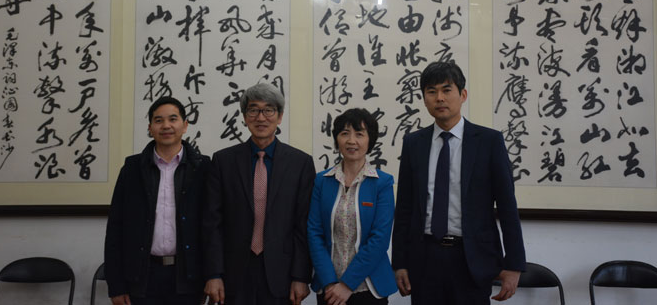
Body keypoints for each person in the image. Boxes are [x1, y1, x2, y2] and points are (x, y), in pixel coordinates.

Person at [392, 61, 526, 304]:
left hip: (472, 259)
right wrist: (399, 262)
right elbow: (404, 208)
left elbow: (507, 207)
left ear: (463, 95)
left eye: (447, 90)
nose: (439, 98)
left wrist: (514, 265)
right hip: (425, 258)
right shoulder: (414, 143)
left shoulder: (489, 141)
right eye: (431, 92)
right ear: (424, 99)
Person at [203, 82, 315, 305]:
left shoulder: (300, 163)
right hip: (233, 274)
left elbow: (303, 224)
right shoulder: (223, 161)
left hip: (282, 275)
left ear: (279, 117)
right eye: (253, 110)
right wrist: (213, 273)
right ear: (245, 117)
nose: (261, 118)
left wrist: (300, 276)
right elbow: (212, 222)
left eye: (269, 110)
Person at [104, 96, 210, 305]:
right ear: (150, 128)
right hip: (143, 277)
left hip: (188, 277)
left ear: (185, 125)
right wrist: (116, 285)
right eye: (158, 120)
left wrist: (213, 276)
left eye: (173, 119)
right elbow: (116, 228)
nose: (166, 126)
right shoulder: (132, 169)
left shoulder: (203, 168)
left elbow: (213, 226)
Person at [307, 108, 398, 305]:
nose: (351, 141)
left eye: (359, 134)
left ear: (370, 140)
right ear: (337, 139)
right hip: (329, 288)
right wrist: (330, 282)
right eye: (345, 133)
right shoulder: (322, 181)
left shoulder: (382, 183)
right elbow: (314, 233)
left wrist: (347, 284)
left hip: (369, 287)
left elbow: (380, 239)